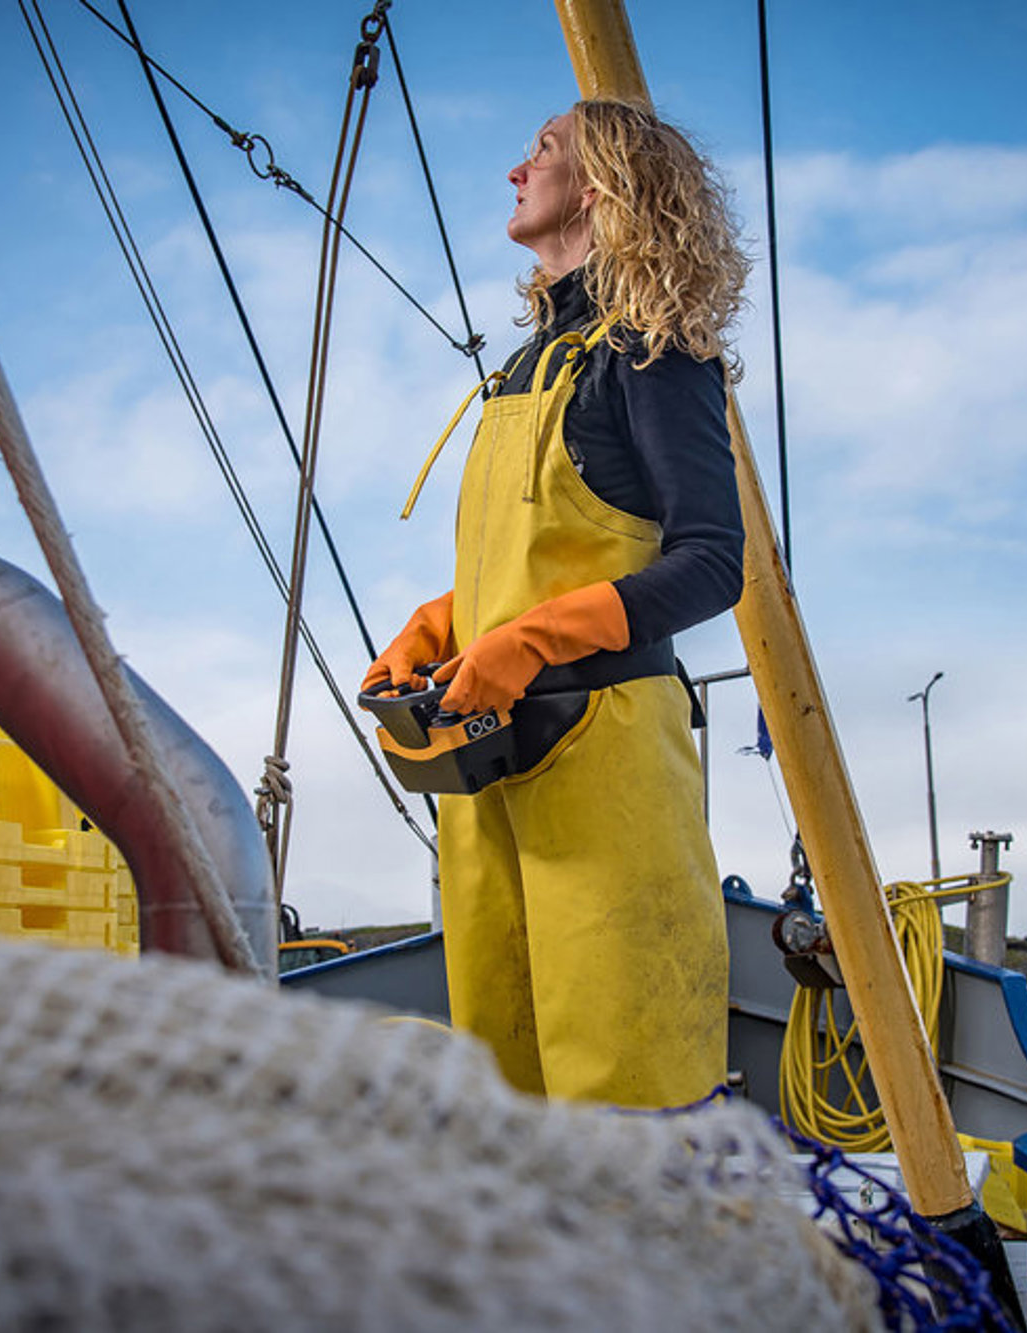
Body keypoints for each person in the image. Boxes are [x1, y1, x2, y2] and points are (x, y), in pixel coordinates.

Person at [363, 100, 749, 1108]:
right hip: (486, 770)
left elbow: (714, 562)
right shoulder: (519, 371)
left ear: (600, 185)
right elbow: (539, 557)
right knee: (504, 1092)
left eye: (540, 150)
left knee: (629, 1096)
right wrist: (441, 623)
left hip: (602, 768)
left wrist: (530, 641)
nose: (514, 170)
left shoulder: (654, 354)